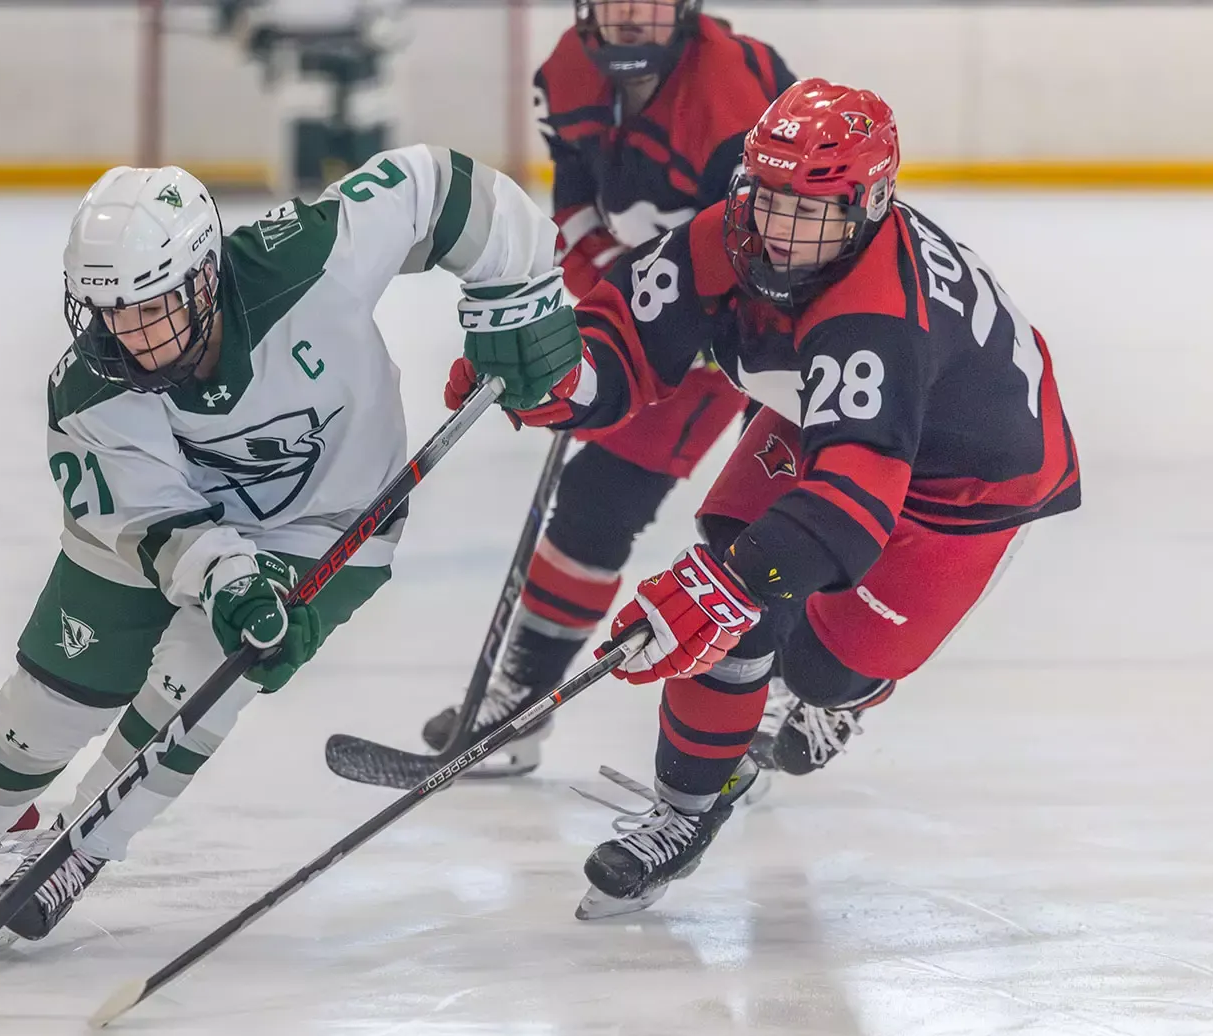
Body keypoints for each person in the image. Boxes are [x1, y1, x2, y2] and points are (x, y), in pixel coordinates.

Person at [0, 145, 572, 939]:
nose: (132, 337)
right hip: (160, 535)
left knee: (200, 683)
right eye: (112, 313)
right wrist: (227, 577)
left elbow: (440, 187)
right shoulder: (92, 388)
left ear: (204, 277)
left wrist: (518, 297)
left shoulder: (305, 260)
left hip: (326, 525)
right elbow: (149, 520)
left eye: (152, 309)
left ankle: (79, 850)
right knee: (52, 699)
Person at [446, 78, 1081, 916]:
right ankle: (681, 816)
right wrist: (552, 376)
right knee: (730, 596)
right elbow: (626, 336)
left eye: (812, 213)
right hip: (830, 423)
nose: (780, 234)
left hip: (968, 486)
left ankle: (845, 696)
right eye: (770, 198)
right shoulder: (725, 234)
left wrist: (738, 584)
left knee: (814, 662)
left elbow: (855, 498)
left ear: (872, 205)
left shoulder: (877, 317)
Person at [417, 0, 796, 777]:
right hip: (669, 298)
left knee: (773, 525)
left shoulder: (731, 99)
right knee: (595, 500)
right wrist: (596, 328)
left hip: (774, 324)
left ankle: (776, 705)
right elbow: (580, 209)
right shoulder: (568, 67)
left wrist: (667, 339)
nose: (631, 18)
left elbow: (772, 253)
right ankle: (519, 705)